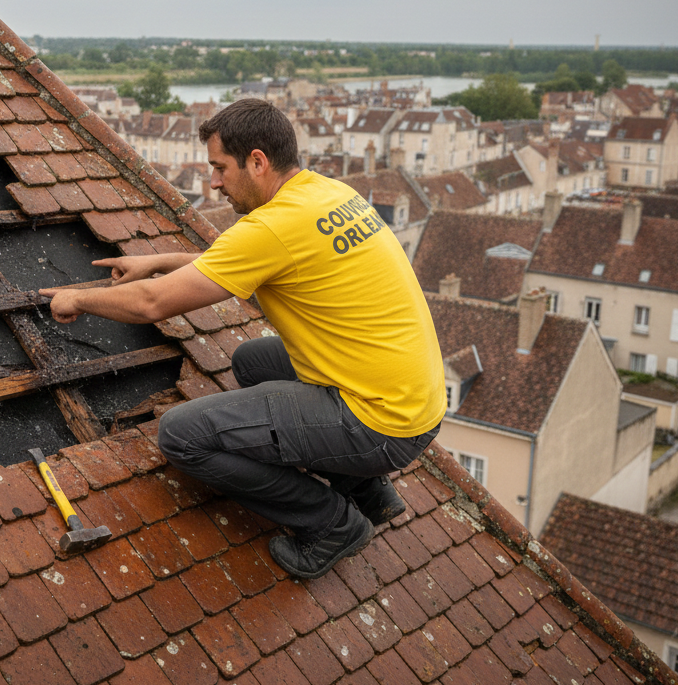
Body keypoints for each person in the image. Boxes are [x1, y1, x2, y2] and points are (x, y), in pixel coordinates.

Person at [41, 98, 445, 579]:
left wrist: (78, 300)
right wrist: (161, 259)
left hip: (382, 424)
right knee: (255, 360)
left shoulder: (272, 226)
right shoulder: (325, 193)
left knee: (181, 436)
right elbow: (242, 258)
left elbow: (153, 304)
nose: (213, 182)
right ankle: (368, 490)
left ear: (257, 161)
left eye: (219, 168)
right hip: (414, 400)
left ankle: (332, 523)